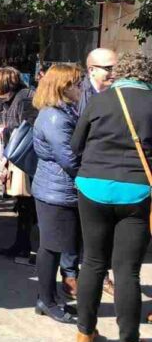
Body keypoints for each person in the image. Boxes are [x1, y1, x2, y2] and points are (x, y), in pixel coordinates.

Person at [71, 52, 152, 342]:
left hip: (92, 187)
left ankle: (85, 332)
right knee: (127, 270)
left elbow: (76, 145)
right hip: (137, 192)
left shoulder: (99, 101)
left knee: (92, 261)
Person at [63, 47, 119, 298]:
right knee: (75, 227)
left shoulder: (118, 93)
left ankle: (101, 274)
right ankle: (70, 274)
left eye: (116, 67)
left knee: (105, 230)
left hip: (111, 171)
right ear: (92, 70)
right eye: (108, 68)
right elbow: (73, 139)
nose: (114, 73)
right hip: (82, 170)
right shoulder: (79, 94)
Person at [31, 64, 83, 324]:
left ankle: (48, 298)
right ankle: (46, 300)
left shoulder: (61, 112)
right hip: (56, 191)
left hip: (57, 189)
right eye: (76, 83)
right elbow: (70, 158)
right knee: (50, 248)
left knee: (53, 246)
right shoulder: (55, 117)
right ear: (63, 87)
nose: (80, 88)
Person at [0, 67, 38, 262]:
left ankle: (24, 246)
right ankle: (21, 244)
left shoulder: (25, 98)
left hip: (25, 160)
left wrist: (5, 131)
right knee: (22, 204)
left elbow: (28, 129)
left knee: (26, 204)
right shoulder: (13, 99)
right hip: (17, 158)